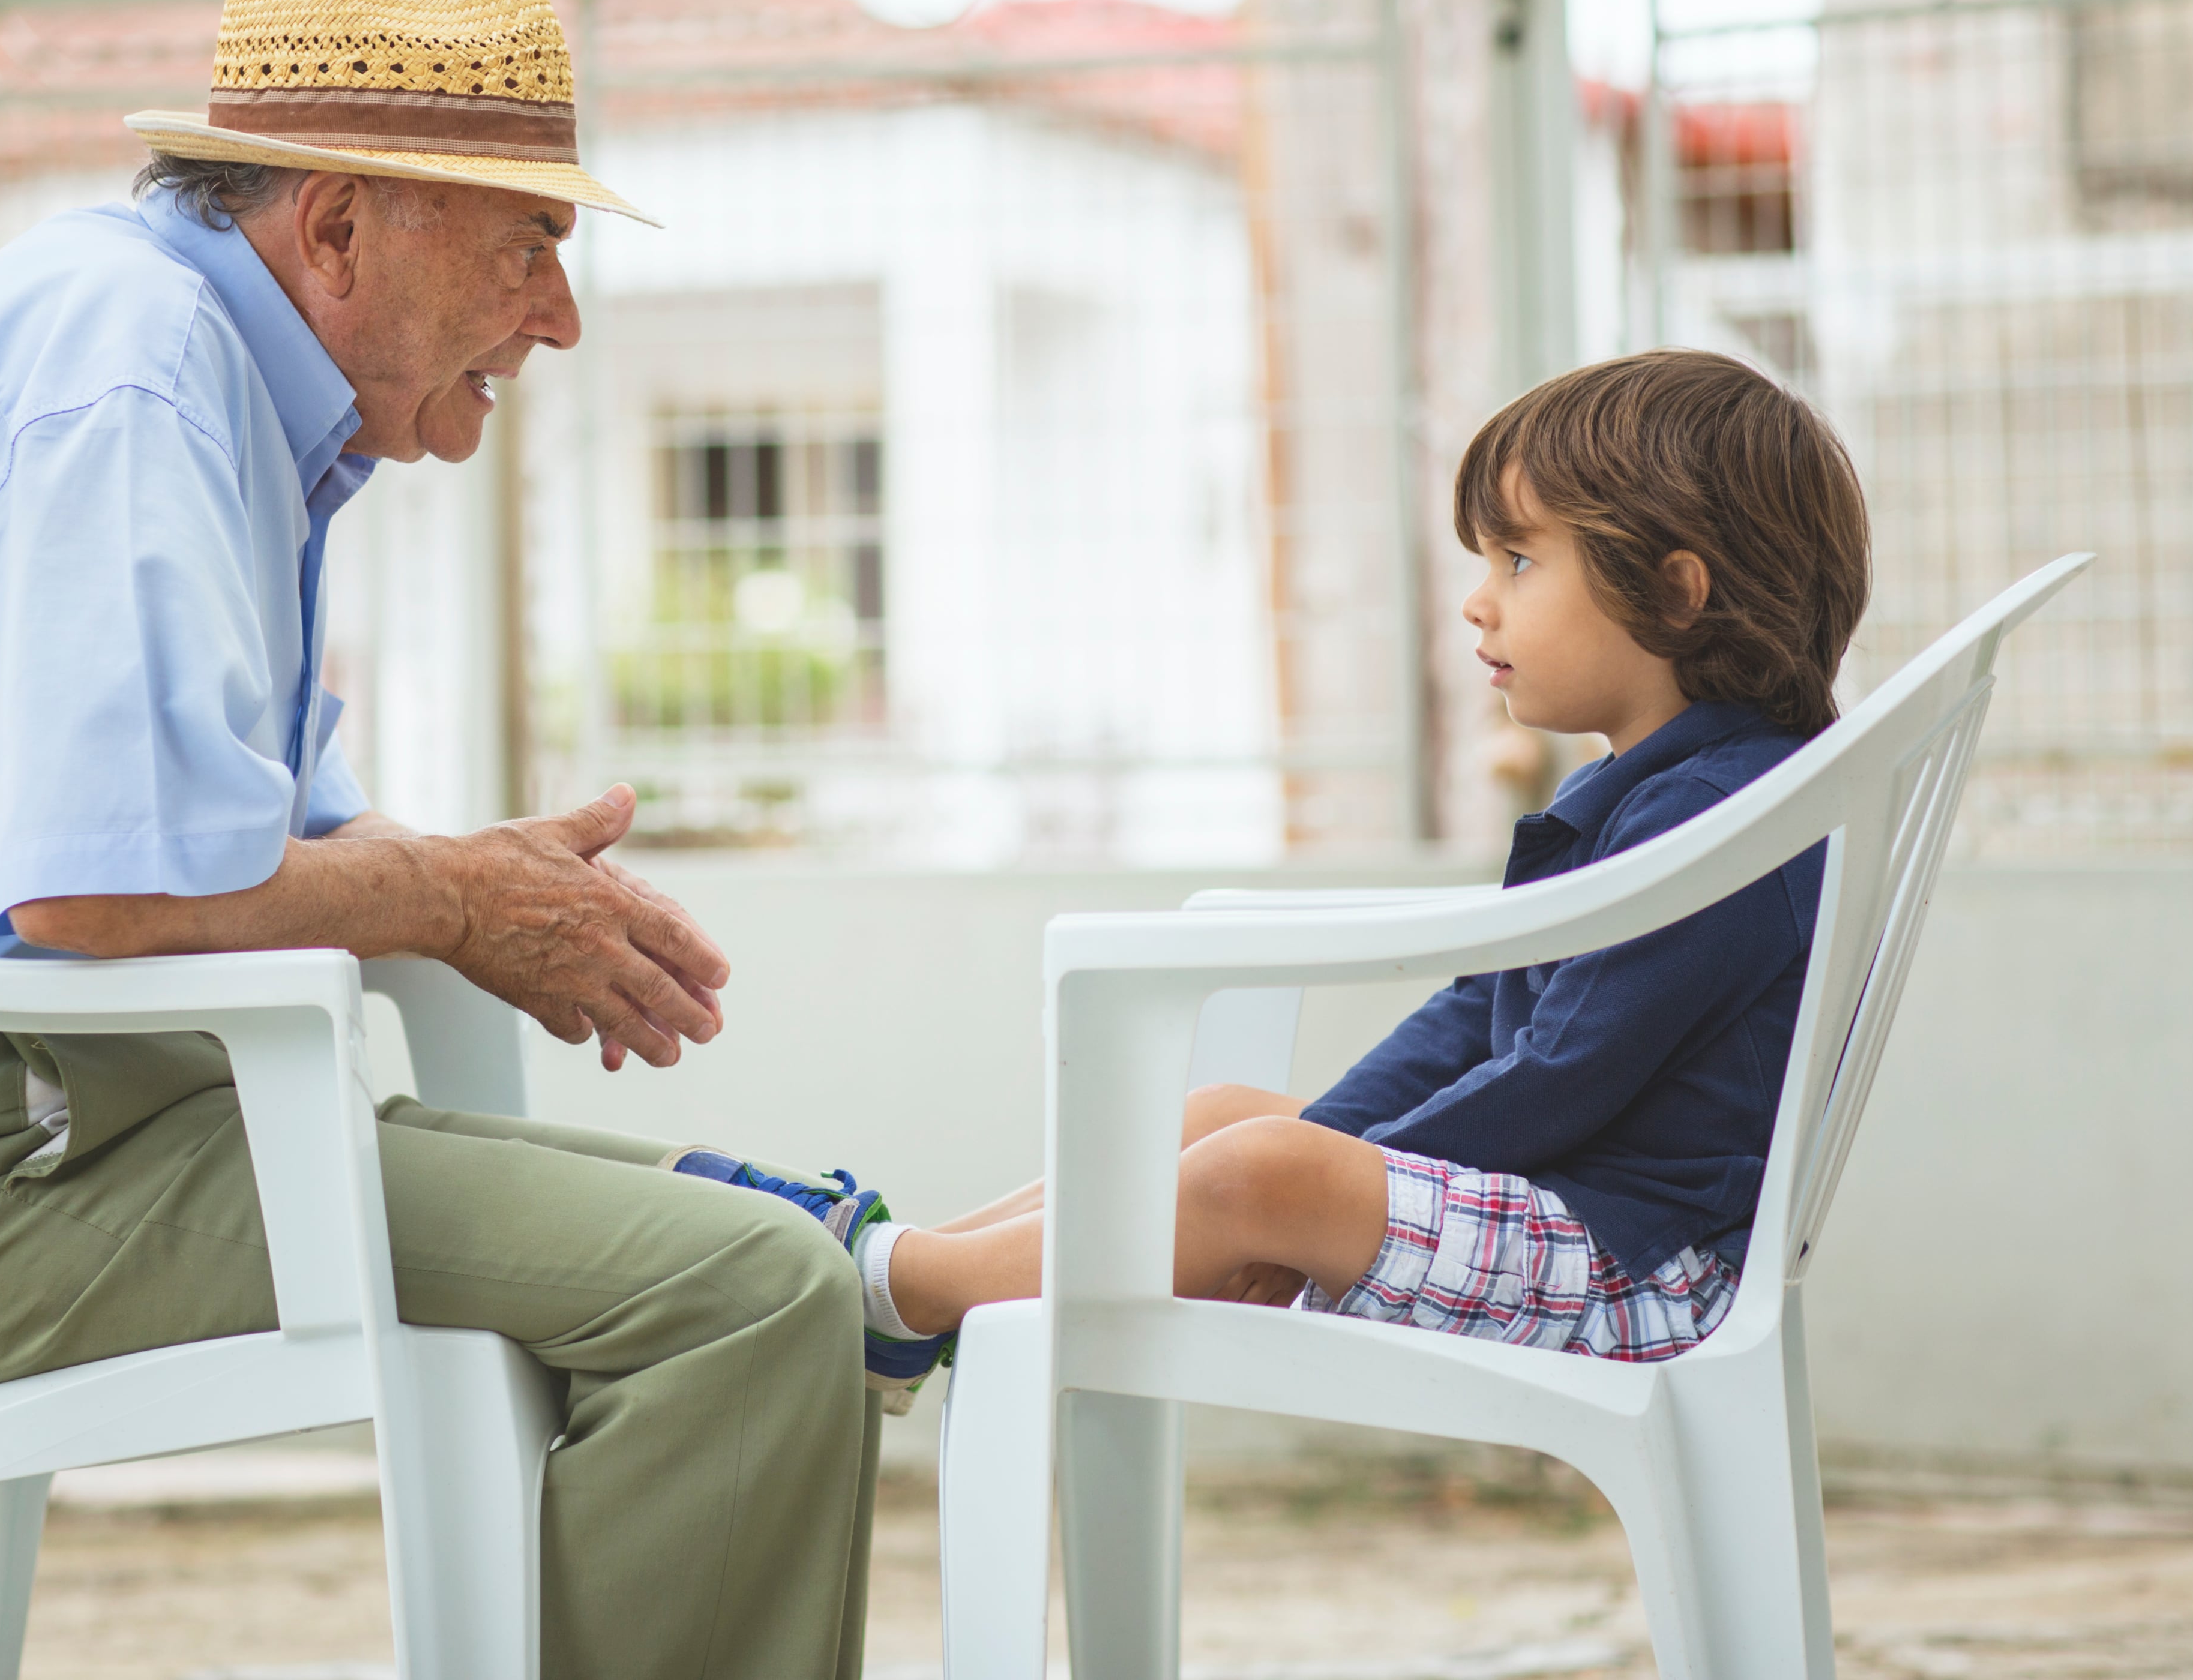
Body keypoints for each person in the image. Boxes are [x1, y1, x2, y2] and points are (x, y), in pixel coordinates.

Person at [0, 0, 892, 1680]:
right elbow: (100, 893)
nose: (558, 311)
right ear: (338, 228)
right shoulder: (130, 357)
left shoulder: (205, 370)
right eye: (530, 238)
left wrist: (464, 886)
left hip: (86, 1116)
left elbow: (271, 850)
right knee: (750, 1296)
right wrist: (452, 898)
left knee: (790, 1250)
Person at [678, 349, 1871, 1376]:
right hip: (1575, 1224)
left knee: (1262, 1166)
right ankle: (923, 1261)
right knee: (1222, 1115)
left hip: (1641, 1271)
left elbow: (1559, 1072)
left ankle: (907, 1286)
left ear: (1673, 588)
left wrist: (1310, 1194)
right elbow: (1476, 1017)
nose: (1476, 603)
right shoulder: (1658, 792)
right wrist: (1329, 1161)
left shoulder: (1725, 816)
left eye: (1518, 561)